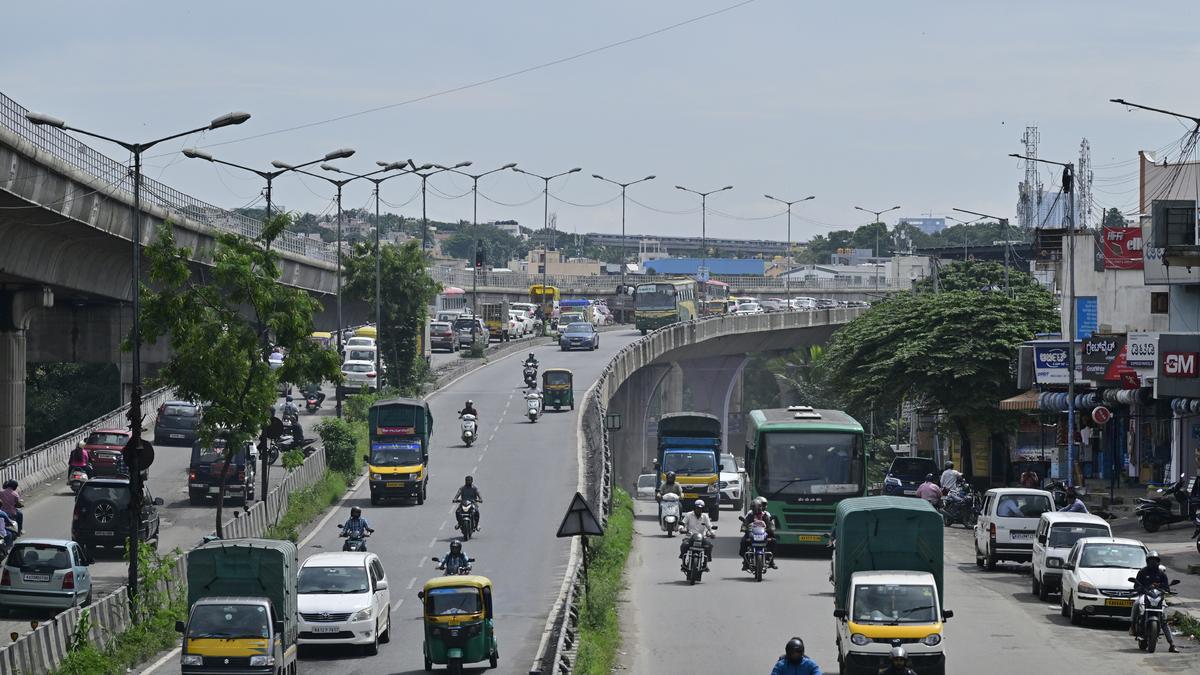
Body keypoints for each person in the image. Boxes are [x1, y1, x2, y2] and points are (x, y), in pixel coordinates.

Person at [1130, 551, 1179, 652]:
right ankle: (1133, 625)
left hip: (1158, 596)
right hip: (1145, 595)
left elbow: (1166, 587)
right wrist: (1143, 588)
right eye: (1151, 560)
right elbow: (1136, 585)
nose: (1153, 562)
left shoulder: (1161, 574)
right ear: (1147, 561)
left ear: (1158, 561)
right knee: (1136, 604)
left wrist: (1164, 588)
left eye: (1155, 560)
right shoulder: (1142, 572)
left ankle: (1172, 644)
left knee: (1164, 620)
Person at [739, 496, 778, 570]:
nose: (756, 509)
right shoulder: (750, 515)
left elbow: (770, 524)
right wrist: (744, 528)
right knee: (743, 542)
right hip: (752, 535)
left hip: (764, 534)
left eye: (758, 507)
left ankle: (771, 561)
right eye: (754, 507)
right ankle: (745, 562)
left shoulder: (765, 515)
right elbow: (745, 523)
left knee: (774, 541)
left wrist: (771, 528)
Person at [678, 499, 715, 571]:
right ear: (694, 508)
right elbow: (683, 523)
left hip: (701, 537)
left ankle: (705, 563)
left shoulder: (705, 516)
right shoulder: (689, 515)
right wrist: (681, 529)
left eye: (701, 508)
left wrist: (712, 533)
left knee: (709, 545)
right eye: (697, 508)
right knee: (684, 545)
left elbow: (710, 527)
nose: (699, 510)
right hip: (690, 536)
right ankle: (683, 561)